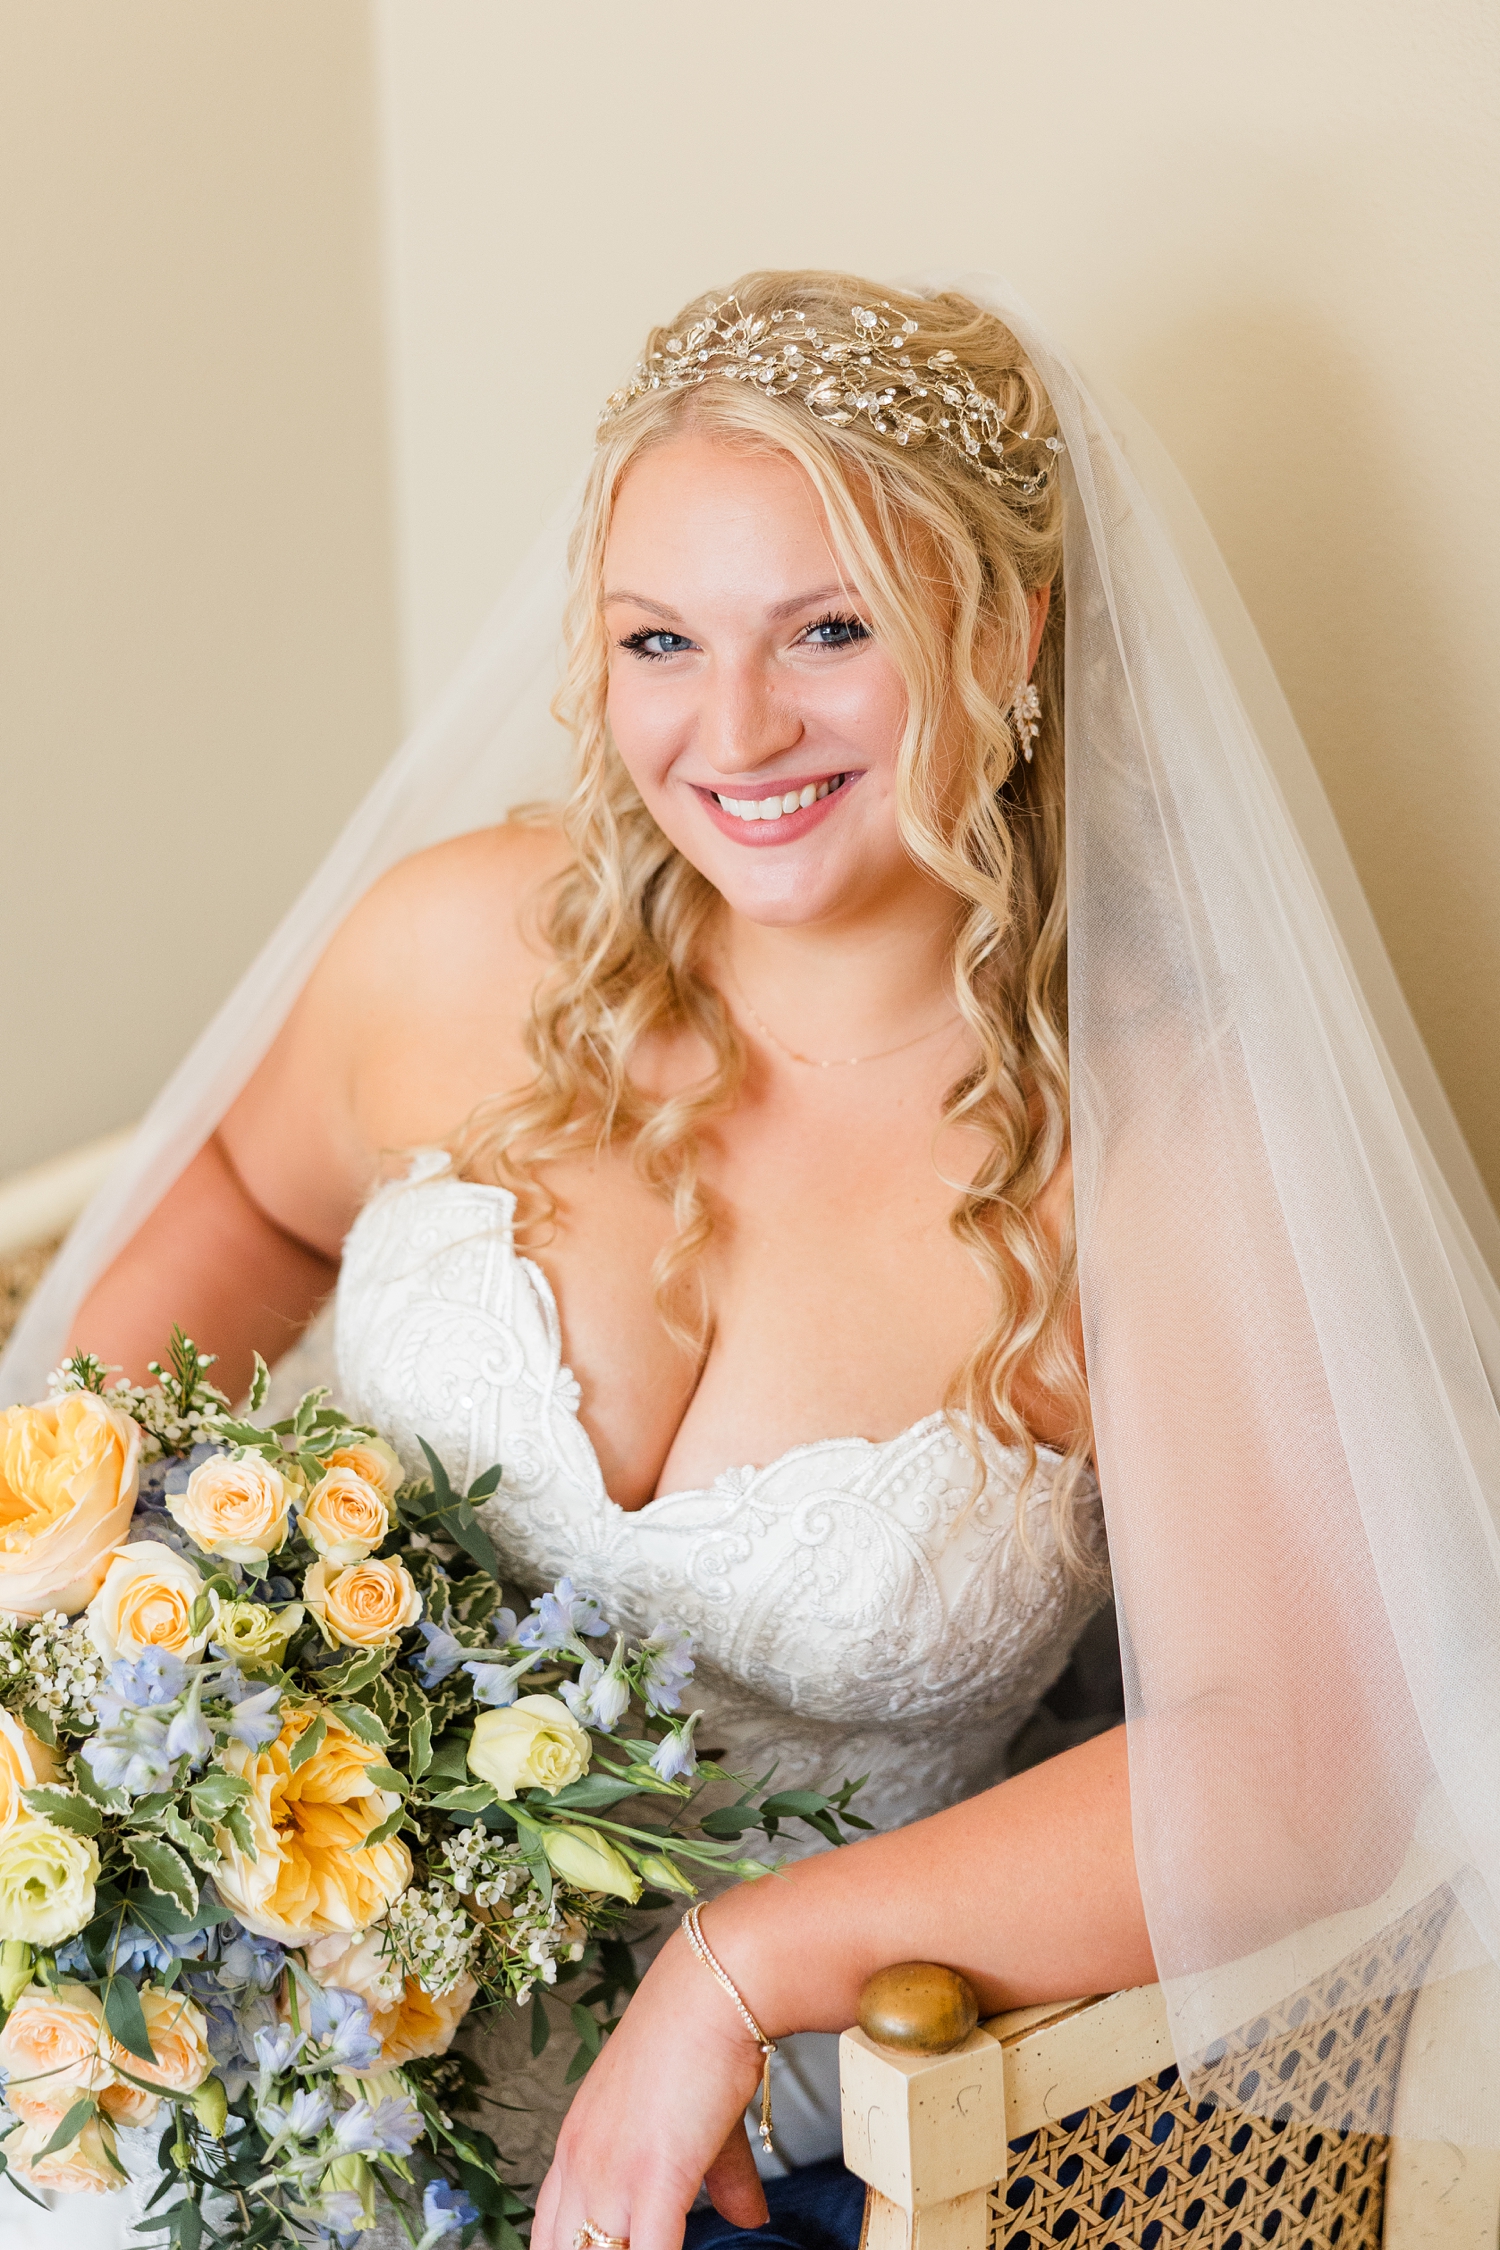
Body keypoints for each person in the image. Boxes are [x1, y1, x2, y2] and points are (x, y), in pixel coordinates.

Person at [9, 269, 1500, 2246]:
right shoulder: (459, 949)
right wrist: (90, 1628)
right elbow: (243, 1206)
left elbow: (1303, 1769)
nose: (735, 729)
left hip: (760, 2146)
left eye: (831, 628)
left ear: (1009, 632)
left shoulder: (1159, 1141)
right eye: (662, 639)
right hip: (218, 2026)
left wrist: (740, 1968)